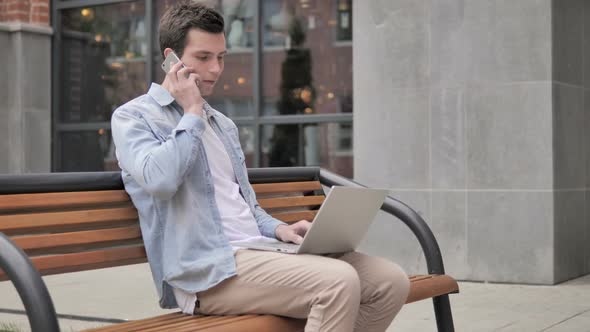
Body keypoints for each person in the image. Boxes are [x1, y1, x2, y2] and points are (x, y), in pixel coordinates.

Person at [110, 2, 410, 331]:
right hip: (205, 272)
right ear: (172, 59)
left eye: (221, 57)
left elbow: (244, 206)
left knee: (389, 281)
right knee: (338, 282)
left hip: (260, 252)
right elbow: (160, 181)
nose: (215, 69)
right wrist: (192, 111)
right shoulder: (134, 117)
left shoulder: (222, 125)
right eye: (203, 57)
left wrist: (280, 229)